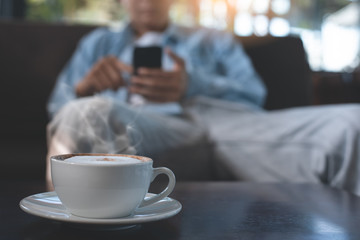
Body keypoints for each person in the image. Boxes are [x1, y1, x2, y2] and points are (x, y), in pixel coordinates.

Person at [47, 0, 360, 196]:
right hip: (141, 129)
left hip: (227, 126)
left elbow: (254, 95)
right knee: (84, 113)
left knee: (351, 124)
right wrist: (82, 90)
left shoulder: (212, 38)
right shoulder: (99, 42)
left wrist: (192, 84)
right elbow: (58, 110)